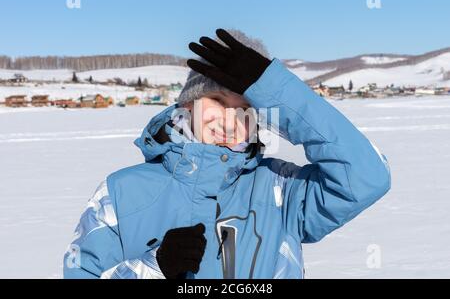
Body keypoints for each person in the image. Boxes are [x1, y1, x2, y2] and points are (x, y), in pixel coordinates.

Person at [63, 29, 391, 279]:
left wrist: (275, 90)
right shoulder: (121, 192)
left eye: (246, 108)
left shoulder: (282, 189)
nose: (229, 120)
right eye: (218, 101)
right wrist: (154, 268)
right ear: (187, 104)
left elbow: (366, 176)